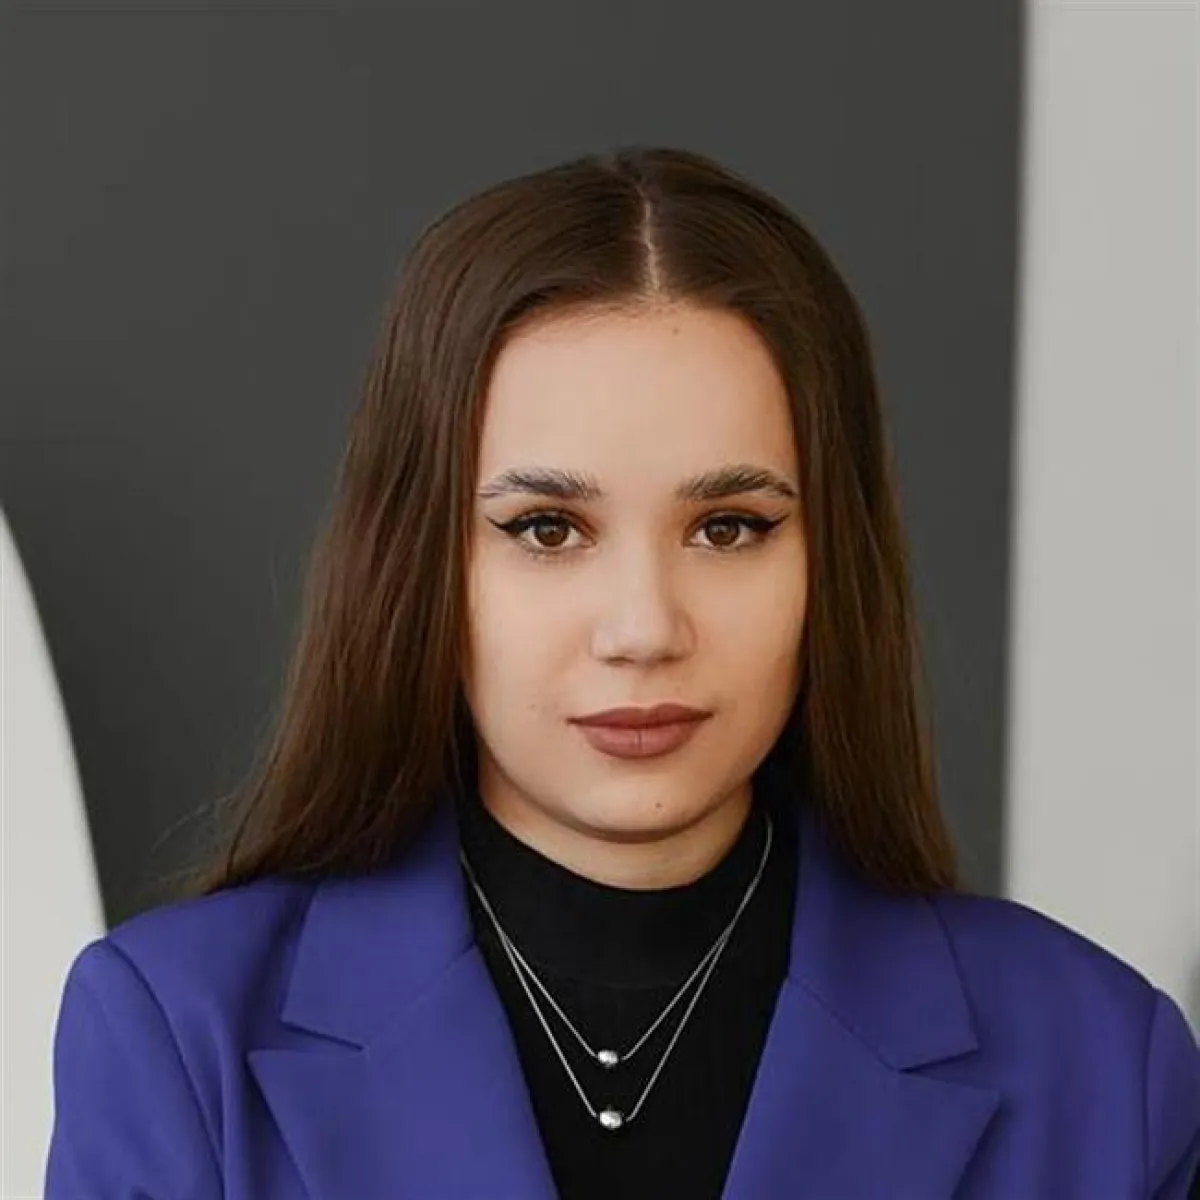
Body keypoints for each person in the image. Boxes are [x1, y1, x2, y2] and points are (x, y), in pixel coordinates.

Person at [44, 146, 1200, 1199]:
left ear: (831, 563)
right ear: (419, 564)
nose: (644, 629)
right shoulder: (179, 1038)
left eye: (730, 528)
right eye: (547, 529)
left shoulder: (1104, 1065)